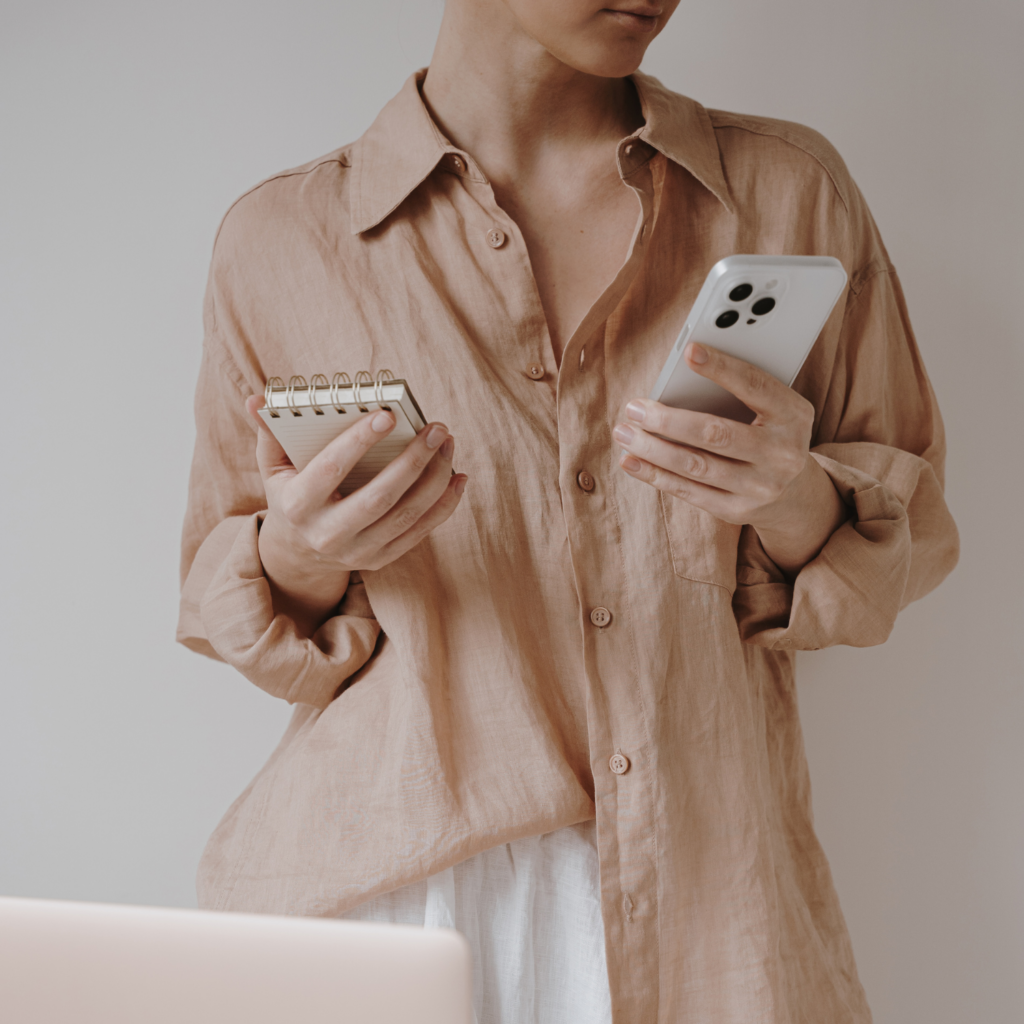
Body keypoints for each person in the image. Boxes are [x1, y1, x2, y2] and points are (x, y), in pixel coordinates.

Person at [177, 1, 959, 1021]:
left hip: (708, 895)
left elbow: (902, 546)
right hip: (399, 909)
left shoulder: (785, 192)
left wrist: (795, 496)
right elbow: (231, 596)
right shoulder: (283, 236)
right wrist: (304, 548)